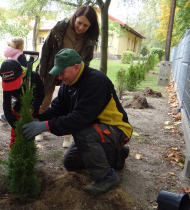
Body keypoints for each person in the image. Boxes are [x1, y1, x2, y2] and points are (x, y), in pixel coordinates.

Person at [22, 49, 132, 196]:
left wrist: (45, 126)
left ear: (76, 67)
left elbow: (78, 119)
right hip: (95, 128)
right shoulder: (69, 83)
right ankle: (116, 155)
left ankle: (107, 177)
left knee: (83, 134)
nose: (60, 77)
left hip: (117, 130)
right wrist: (37, 119)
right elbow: (57, 108)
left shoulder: (96, 82)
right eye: (58, 73)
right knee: (71, 162)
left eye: (62, 73)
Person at [36, 5, 99, 147]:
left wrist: (83, 76)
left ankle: (68, 134)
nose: (81, 27)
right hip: (53, 69)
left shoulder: (90, 37)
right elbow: (45, 49)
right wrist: (42, 70)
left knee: (71, 103)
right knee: (44, 101)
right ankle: (39, 128)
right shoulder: (61, 27)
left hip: (74, 74)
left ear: (91, 26)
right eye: (79, 23)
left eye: (86, 25)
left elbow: (87, 59)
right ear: (74, 18)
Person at [0, 59, 44, 148]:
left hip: (32, 109)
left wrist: (33, 108)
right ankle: (14, 153)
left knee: (30, 132)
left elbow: (41, 95)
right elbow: (6, 107)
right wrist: (16, 126)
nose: (12, 87)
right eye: (9, 85)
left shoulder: (34, 77)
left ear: (23, 74)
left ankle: (28, 149)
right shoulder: (7, 83)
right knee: (15, 136)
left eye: (14, 84)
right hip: (17, 109)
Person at [0, 37, 35, 124]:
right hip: (19, 80)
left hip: (9, 79)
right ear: (20, 47)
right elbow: (26, 67)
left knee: (12, 99)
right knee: (20, 99)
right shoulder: (20, 55)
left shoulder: (10, 54)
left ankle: (7, 115)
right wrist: (31, 58)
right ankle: (7, 116)